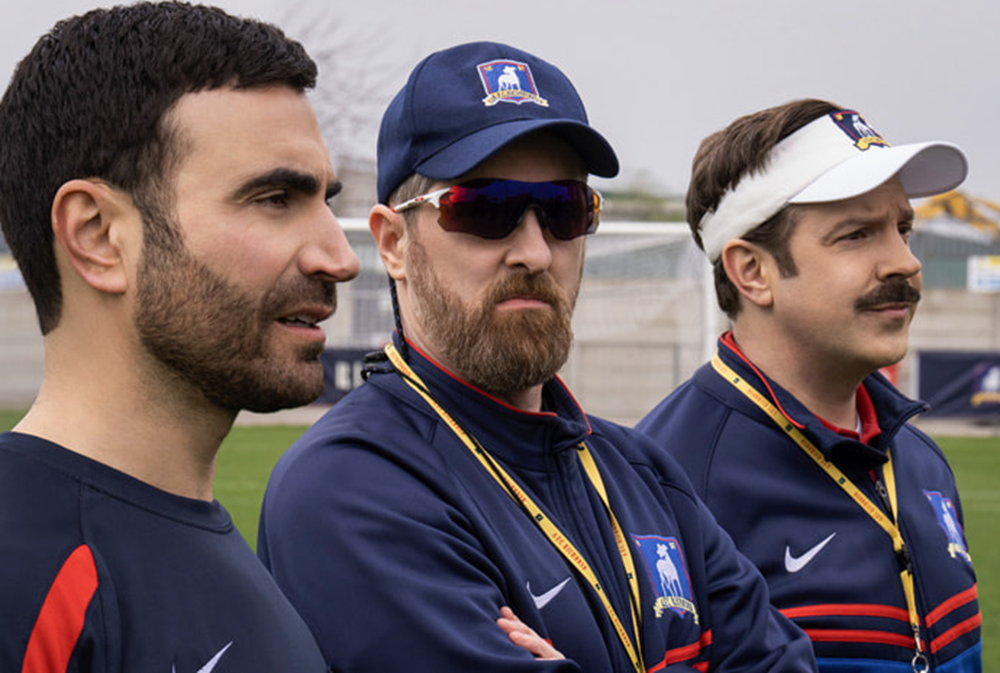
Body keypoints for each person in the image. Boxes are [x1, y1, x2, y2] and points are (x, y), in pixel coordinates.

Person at [258, 41, 816, 673]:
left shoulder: (641, 472)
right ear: (392, 242)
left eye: (563, 210)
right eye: (484, 209)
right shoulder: (349, 487)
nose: (535, 251)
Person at [0, 1, 359, 671]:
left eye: (325, 202)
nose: (339, 258)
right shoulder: (24, 578)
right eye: (275, 198)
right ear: (98, 236)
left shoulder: (220, 556)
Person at [637, 100, 982, 672]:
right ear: (752, 271)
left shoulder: (918, 458)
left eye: (902, 229)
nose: (904, 262)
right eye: (855, 235)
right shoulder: (665, 484)